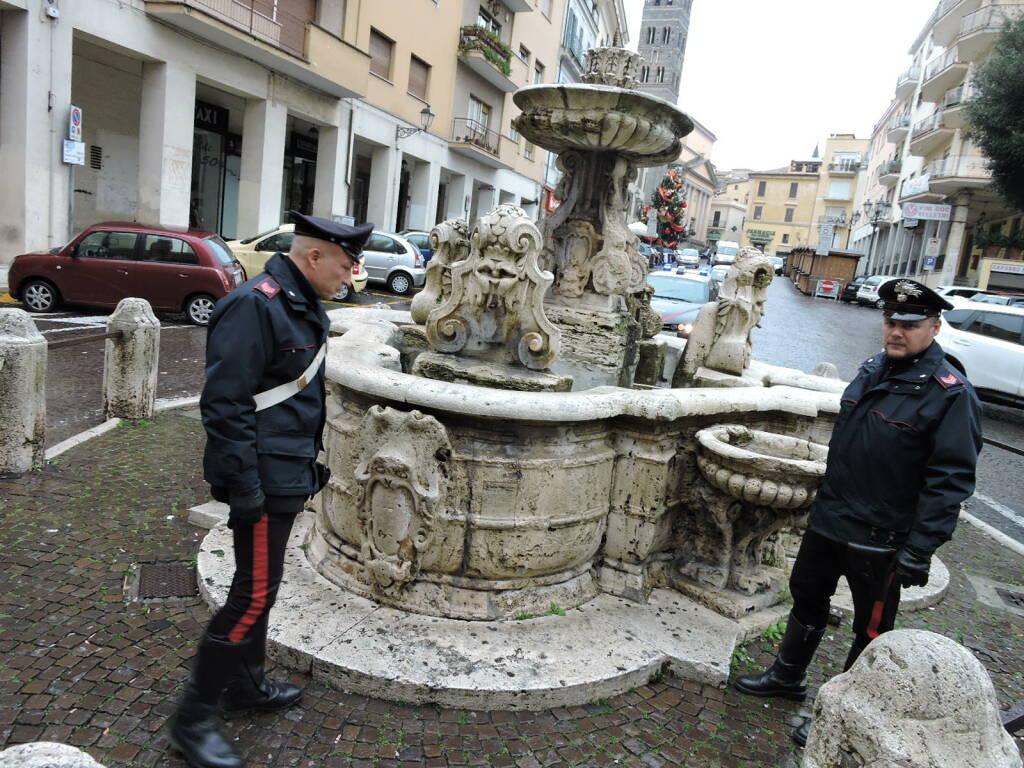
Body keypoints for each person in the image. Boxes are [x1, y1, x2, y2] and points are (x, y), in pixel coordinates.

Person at [733, 278, 982, 747]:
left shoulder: (951, 394)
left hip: (882, 537)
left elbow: (949, 481)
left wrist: (919, 549)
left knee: (872, 629)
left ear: (935, 326)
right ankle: (788, 677)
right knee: (806, 598)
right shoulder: (873, 369)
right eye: (891, 321)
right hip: (831, 520)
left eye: (909, 324)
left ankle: (844, 714)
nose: (896, 331)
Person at [168, 212, 373, 768]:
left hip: (283, 471)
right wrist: (246, 488)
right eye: (347, 262)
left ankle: (246, 686)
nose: (353, 273)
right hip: (260, 477)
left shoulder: (299, 302)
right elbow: (225, 404)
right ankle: (193, 719)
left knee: (260, 585)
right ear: (313, 258)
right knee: (253, 593)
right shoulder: (256, 304)